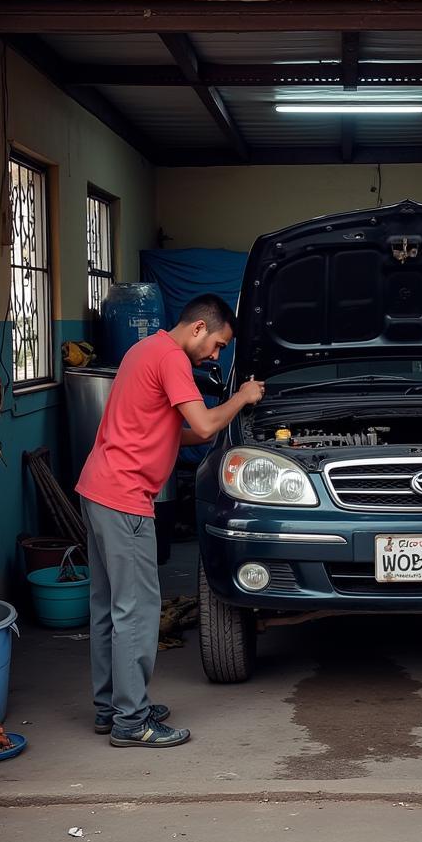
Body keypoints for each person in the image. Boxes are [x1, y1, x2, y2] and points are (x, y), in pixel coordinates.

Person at [76, 293, 265, 748]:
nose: (217, 355)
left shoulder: (142, 351)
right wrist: (241, 398)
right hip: (124, 499)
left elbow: (167, 430)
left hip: (97, 489)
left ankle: (112, 708)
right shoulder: (172, 359)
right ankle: (132, 722)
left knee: (108, 610)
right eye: (218, 345)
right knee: (137, 613)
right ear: (199, 328)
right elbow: (201, 427)